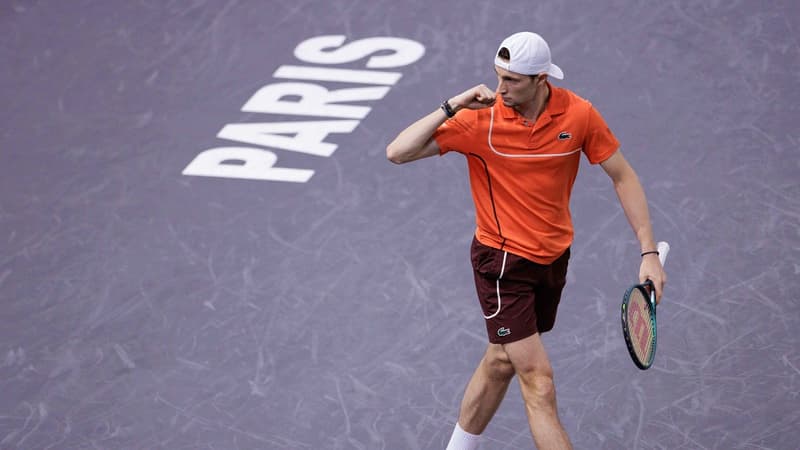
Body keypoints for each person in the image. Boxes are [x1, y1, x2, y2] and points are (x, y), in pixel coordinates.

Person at [385, 31, 667, 449]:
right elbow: (398, 152)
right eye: (498, 77)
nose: (500, 89)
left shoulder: (579, 115)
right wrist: (452, 105)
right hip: (501, 266)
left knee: (502, 359)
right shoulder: (481, 120)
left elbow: (622, 176)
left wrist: (648, 252)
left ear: (540, 79)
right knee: (538, 380)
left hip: (552, 260)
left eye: (512, 80)